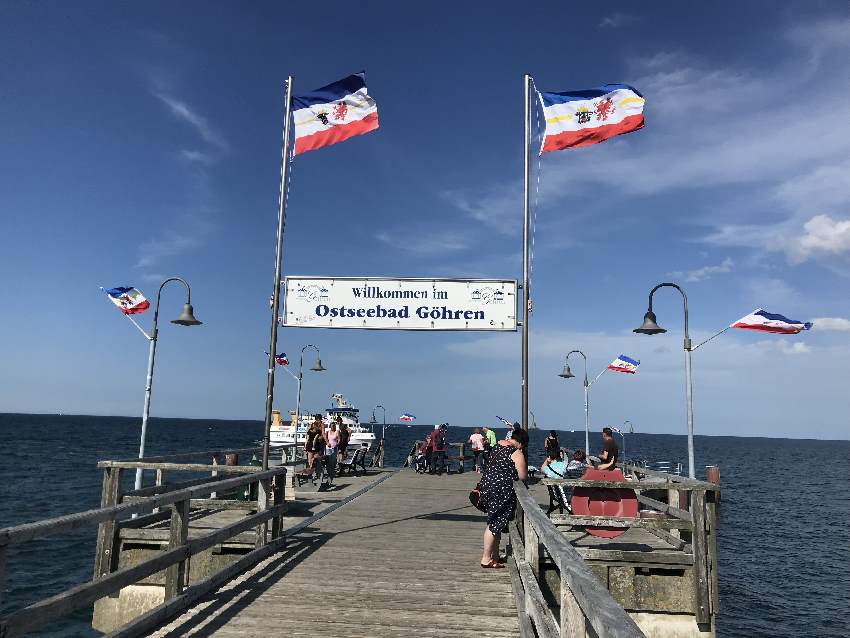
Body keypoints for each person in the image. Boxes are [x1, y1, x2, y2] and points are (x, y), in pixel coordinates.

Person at [479, 430, 527, 568]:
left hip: (487, 487)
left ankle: (494, 556)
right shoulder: (515, 452)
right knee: (494, 523)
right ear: (520, 442)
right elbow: (523, 476)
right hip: (500, 491)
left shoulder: (498, 445)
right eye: (523, 445)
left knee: (495, 522)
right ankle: (486, 558)